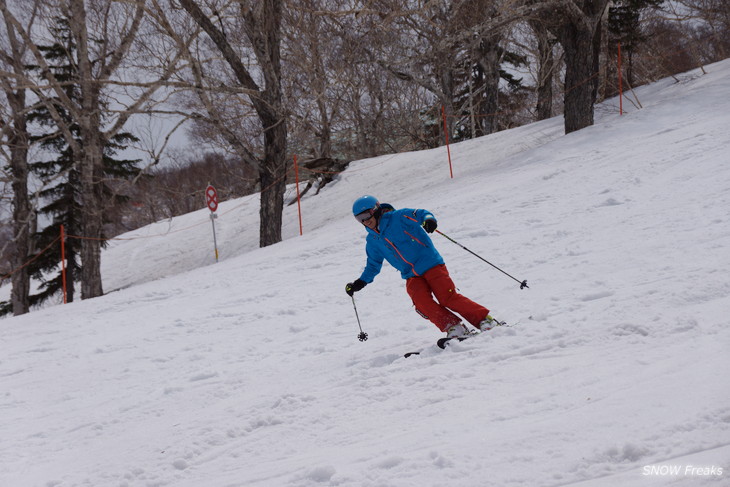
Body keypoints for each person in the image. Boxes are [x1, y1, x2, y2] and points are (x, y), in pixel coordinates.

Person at [345, 195, 497, 338]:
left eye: (366, 215)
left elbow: (420, 213)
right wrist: (361, 282)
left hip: (430, 264)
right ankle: (453, 327)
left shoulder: (399, 217)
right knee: (421, 302)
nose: (365, 221)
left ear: (376, 209)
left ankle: (485, 320)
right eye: (359, 219)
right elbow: (373, 264)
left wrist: (428, 220)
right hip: (411, 274)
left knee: (447, 297)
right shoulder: (373, 240)